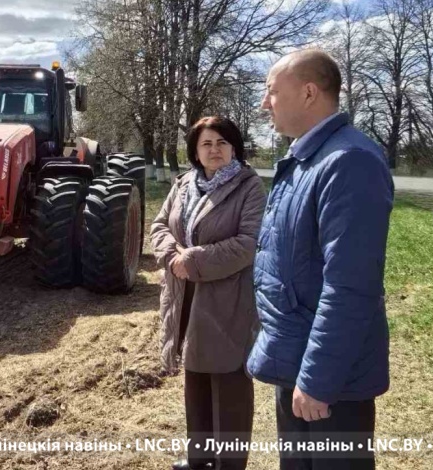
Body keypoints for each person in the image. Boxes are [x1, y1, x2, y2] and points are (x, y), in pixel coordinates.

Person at [246, 49, 393, 469]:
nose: (264, 103)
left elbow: (350, 286)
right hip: (295, 361)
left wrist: (318, 380)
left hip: (330, 383)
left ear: (309, 92)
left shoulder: (348, 162)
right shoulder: (303, 160)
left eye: (272, 91)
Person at [151, 116, 266, 470]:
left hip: (226, 300)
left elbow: (249, 244)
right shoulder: (184, 184)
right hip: (184, 297)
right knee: (195, 379)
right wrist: (173, 259)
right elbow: (158, 226)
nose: (214, 149)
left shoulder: (249, 187)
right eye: (206, 144)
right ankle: (199, 459)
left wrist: (195, 262)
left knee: (228, 385)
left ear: (234, 148)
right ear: (195, 152)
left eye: (221, 142)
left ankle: (229, 465)